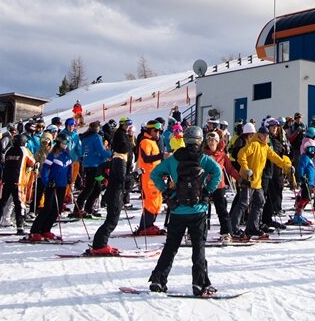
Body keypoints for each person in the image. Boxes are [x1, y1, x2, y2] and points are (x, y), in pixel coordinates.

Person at [146, 126, 222, 296]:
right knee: (198, 248)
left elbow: (155, 174)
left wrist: (166, 192)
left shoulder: (174, 159)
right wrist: (207, 191)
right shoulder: (204, 159)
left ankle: (158, 280)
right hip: (198, 210)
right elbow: (217, 172)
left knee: (171, 247)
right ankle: (199, 283)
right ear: (200, 140)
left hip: (177, 209)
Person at [232, 123, 292, 240]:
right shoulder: (254, 144)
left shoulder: (265, 147)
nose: (265, 137)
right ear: (258, 134)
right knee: (243, 203)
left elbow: (276, 158)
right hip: (248, 179)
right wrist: (245, 168)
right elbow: (241, 154)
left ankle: (252, 228)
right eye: (263, 135)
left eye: (267, 135)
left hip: (257, 181)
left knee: (260, 202)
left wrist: (287, 167)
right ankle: (233, 229)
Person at [86, 128, 132, 256]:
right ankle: (99, 245)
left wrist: (104, 177)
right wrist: (135, 174)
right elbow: (122, 179)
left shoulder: (115, 159)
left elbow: (102, 167)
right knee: (111, 221)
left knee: (110, 220)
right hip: (116, 194)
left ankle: (100, 243)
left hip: (112, 193)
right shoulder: (121, 161)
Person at [0, 133, 33, 235]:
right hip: (18, 181)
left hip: (5, 180)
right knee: (19, 203)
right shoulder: (25, 150)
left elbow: (4, 160)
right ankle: (20, 226)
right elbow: (32, 162)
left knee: (1, 202)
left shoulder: (9, 150)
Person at [28, 138, 70, 242]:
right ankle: (34, 231)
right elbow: (45, 169)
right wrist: (47, 182)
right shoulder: (53, 155)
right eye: (64, 142)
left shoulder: (67, 155)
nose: (66, 144)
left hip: (62, 185)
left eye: (67, 142)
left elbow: (69, 168)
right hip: (52, 185)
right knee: (47, 208)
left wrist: (69, 178)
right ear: (59, 143)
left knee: (57, 209)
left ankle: (46, 230)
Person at [202, 129, 240, 237]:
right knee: (201, 210)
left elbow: (230, 169)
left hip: (219, 186)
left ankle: (226, 232)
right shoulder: (203, 155)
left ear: (217, 142)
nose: (211, 142)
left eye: (213, 140)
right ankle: (199, 233)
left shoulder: (222, 155)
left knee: (222, 210)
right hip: (205, 185)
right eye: (209, 140)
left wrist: (240, 179)